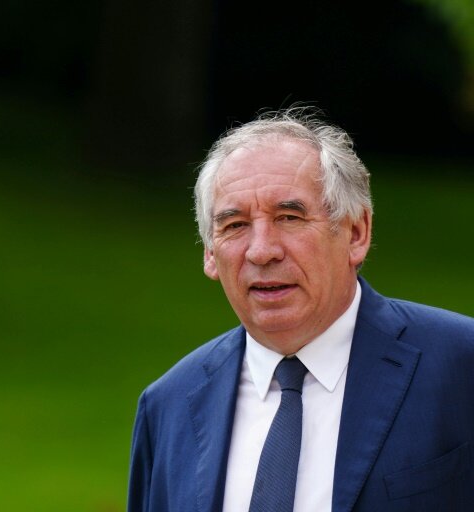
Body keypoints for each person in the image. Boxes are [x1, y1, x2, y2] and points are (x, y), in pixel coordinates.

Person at [127, 109, 474, 512]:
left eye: (289, 217)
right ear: (209, 253)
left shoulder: (461, 366)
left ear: (356, 233)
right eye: (235, 225)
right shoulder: (167, 407)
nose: (262, 251)